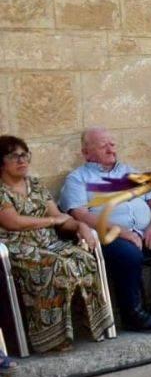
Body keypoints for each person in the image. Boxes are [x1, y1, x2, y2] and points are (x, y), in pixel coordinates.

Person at [60, 128, 151, 332]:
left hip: (145, 233)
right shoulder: (77, 179)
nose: (111, 148)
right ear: (86, 152)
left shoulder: (133, 172)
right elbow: (80, 215)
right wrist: (121, 232)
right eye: (103, 145)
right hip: (109, 236)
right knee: (129, 255)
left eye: (112, 144)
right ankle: (132, 313)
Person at [0, 136, 112, 353]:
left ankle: (92, 326)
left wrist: (80, 227)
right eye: (14, 156)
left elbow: (60, 216)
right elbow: (13, 222)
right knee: (56, 265)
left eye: (25, 155)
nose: (22, 160)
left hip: (48, 242)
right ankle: (51, 339)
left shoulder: (35, 185)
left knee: (83, 258)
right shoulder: (1, 191)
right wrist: (52, 222)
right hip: (18, 247)